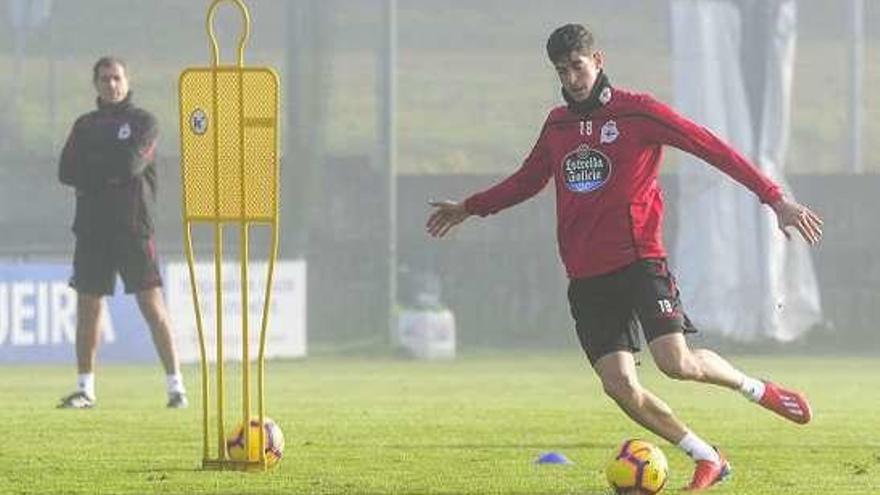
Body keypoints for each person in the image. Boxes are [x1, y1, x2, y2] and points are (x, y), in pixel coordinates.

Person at [426, 24, 823, 491]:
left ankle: (759, 390)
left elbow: (711, 147)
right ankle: (707, 456)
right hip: (586, 275)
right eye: (561, 70)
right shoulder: (557, 125)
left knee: (676, 363)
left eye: (577, 66)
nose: (571, 78)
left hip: (639, 261)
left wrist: (774, 197)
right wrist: (469, 207)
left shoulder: (638, 112)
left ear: (598, 60)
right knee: (619, 386)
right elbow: (526, 180)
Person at [57, 56, 188, 409]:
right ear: (95, 83)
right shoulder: (84, 125)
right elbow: (66, 170)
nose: (111, 84)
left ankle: (176, 387)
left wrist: (96, 166)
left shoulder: (144, 122)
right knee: (88, 307)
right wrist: (109, 166)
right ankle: (86, 389)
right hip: (92, 230)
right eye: (104, 79)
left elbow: (131, 164)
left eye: (116, 78)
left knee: (152, 306)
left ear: (127, 80)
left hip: (133, 229)